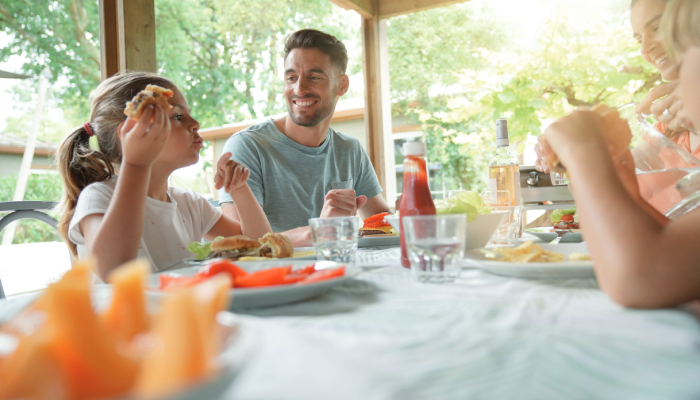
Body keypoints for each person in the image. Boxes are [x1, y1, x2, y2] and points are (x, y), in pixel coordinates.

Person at [534, 0, 700, 309]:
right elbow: (675, 249)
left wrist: (583, 151)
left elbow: (642, 277)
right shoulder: (670, 126)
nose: (648, 49)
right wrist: (624, 184)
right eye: (639, 38)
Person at [56, 71, 272, 280]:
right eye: (178, 116)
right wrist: (136, 164)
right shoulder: (99, 196)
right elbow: (114, 270)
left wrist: (239, 188)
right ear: (131, 132)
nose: (195, 123)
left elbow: (259, 245)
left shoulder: (189, 204)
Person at [218, 29, 391, 246]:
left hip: (335, 272)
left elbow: (382, 221)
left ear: (342, 85)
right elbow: (242, 241)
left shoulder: (349, 149)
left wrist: (405, 216)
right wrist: (321, 229)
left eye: (314, 77)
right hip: (274, 277)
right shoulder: (247, 146)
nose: (299, 89)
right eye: (291, 78)